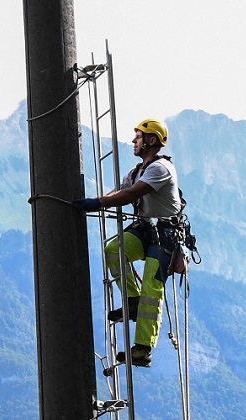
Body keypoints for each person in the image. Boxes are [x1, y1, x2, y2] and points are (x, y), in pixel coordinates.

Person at [75, 118, 182, 367]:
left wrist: (98, 203)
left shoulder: (161, 169)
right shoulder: (137, 171)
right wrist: (93, 200)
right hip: (146, 230)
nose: (134, 141)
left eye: (138, 137)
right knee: (114, 250)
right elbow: (119, 191)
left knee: (152, 290)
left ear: (151, 140)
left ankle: (143, 349)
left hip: (165, 236)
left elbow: (131, 194)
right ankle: (132, 301)